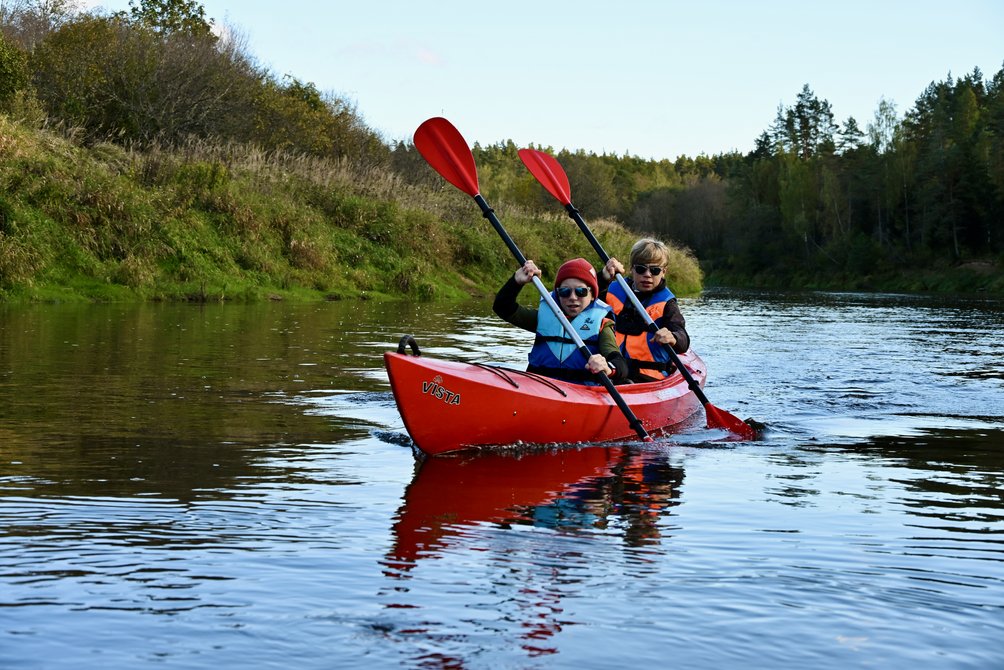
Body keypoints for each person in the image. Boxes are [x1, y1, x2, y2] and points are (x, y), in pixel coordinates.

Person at [493, 257, 629, 384]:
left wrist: (609, 368)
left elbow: (619, 362)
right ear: (557, 295)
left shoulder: (602, 324)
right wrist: (516, 281)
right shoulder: (543, 318)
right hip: (539, 388)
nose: (573, 297)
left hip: (581, 394)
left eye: (581, 292)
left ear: (592, 295)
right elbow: (502, 308)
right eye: (565, 292)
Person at [599, 238, 691, 383]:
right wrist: (603, 277)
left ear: (663, 272)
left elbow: (683, 340)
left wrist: (673, 337)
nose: (647, 275)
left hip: (647, 377)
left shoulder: (667, 303)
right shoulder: (612, 289)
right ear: (632, 269)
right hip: (611, 369)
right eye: (641, 269)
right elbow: (584, 300)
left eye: (654, 270)